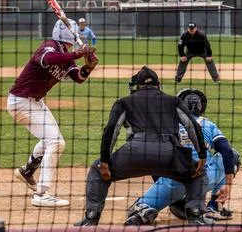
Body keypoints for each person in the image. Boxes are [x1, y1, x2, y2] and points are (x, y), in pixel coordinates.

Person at [75, 66, 213, 226]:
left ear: (138, 86)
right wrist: (202, 155)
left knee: (97, 171)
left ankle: (91, 217)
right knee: (198, 175)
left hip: (134, 153)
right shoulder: (172, 100)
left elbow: (111, 130)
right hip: (169, 155)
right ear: (158, 85)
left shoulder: (124, 102)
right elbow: (192, 126)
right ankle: (195, 215)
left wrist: (104, 162)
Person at [8, 19, 99, 207]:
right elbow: (45, 60)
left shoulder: (67, 56)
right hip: (21, 101)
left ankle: (27, 171)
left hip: (35, 102)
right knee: (56, 142)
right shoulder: (50, 46)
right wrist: (76, 53)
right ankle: (42, 194)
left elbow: (78, 77)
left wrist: (89, 66)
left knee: (51, 140)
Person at [125, 88, 241, 225]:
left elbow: (154, 158)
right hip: (203, 180)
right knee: (233, 155)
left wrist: (162, 183)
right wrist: (228, 184)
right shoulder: (207, 124)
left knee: (137, 208)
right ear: (201, 107)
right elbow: (226, 151)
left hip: (172, 182)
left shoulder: (167, 124)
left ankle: (142, 211)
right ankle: (213, 207)